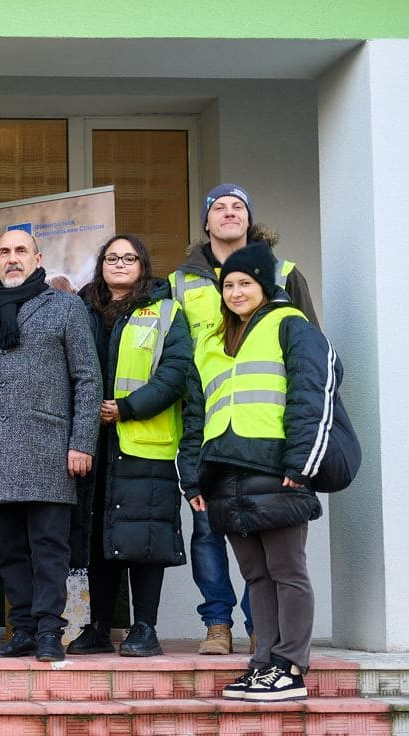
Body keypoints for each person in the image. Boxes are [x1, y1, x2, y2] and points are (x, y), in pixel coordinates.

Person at [188, 242, 356, 702]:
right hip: (225, 476)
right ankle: (264, 663)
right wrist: (193, 478)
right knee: (256, 577)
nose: (236, 291)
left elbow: (311, 393)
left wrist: (300, 464)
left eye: (245, 283)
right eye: (229, 285)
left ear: (265, 285)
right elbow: (197, 413)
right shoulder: (211, 342)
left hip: (276, 470)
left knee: (287, 570)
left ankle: (291, 664)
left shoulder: (291, 326)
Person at [171, 183, 320, 655]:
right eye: (219, 207)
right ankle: (219, 624)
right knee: (212, 535)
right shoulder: (181, 282)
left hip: (269, 442)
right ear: (205, 222)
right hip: (212, 434)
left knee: (278, 558)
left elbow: (312, 365)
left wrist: (303, 454)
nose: (229, 213)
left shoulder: (286, 277)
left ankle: (271, 642)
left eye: (238, 206)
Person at [0, 229, 100, 663]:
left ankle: (47, 631)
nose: (13, 259)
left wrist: (81, 442)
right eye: (4, 252)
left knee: (48, 547)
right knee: (7, 551)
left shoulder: (66, 307)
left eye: (21, 251)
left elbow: (88, 379)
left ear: (38, 258)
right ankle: (21, 629)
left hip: (50, 447)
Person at [69, 235, 198, 658]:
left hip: (144, 443)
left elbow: (175, 373)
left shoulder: (166, 311)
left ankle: (145, 629)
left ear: (143, 265)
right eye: (111, 257)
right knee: (99, 542)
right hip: (94, 444)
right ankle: (99, 626)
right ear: (101, 264)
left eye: (129, 258)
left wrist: (127, 407)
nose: (120, 264)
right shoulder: (82, 308)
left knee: (145, 542)